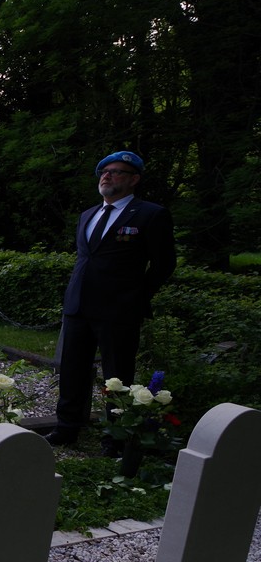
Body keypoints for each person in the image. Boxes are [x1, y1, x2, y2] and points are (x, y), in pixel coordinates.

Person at [45, 151, 176, 450]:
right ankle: (66, 429)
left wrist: (137, 296)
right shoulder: (88, 214)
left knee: (117, 376)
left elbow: (164, 264)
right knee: (72, 372)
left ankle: (115, 438)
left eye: (116, 171)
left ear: (134, 179)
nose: (107, 175)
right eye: (104, 171)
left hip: (119, 310)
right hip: (78, 306)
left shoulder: (150, 214)